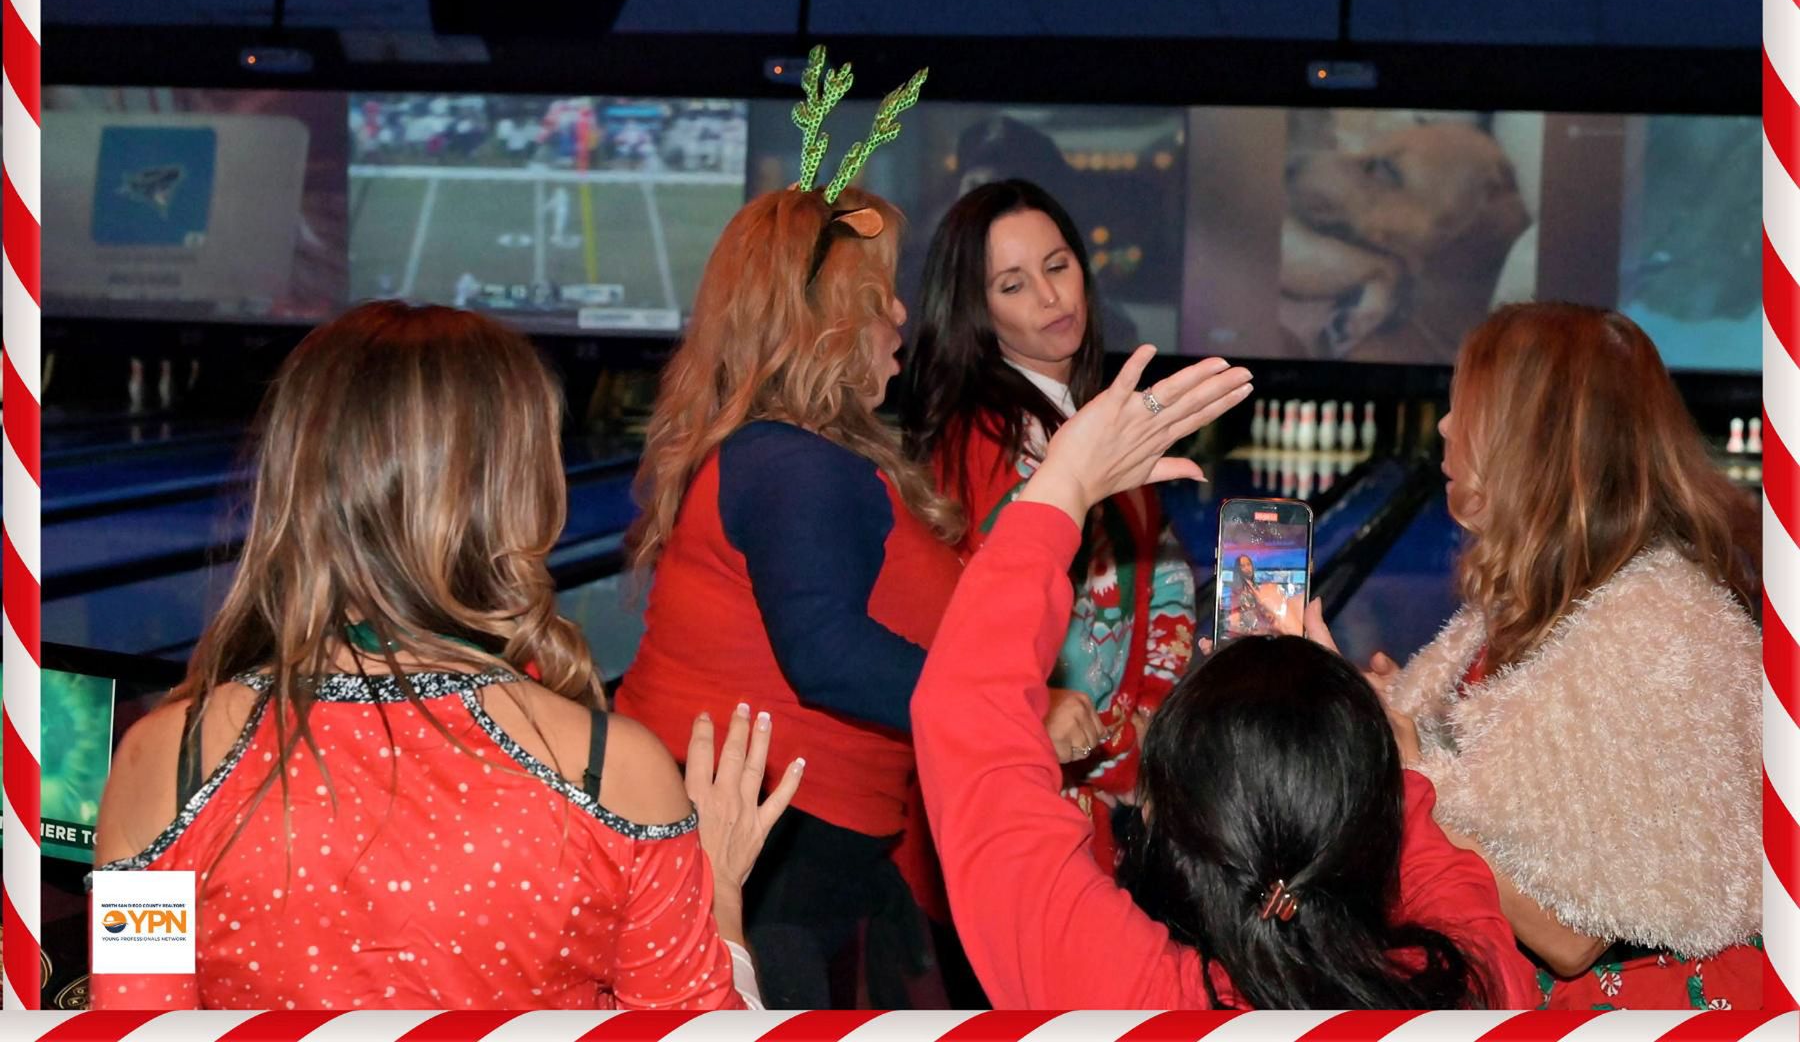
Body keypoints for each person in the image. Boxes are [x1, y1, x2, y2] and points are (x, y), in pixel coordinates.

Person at [91, 302, 799, 1010]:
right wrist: (718, 898)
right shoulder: (613, 774)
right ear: (518, 494)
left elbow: (135, 1020)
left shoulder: (164, 763)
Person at [911, 345, 1540, 1009]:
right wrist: (1378, 759)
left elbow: (966, 721)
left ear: (1167, 828)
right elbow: (1447, 887)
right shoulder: (1475, 981)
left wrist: (1062, 483)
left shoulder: (1137, 999)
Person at [613, 185, 964, 1008]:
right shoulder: (793, 464)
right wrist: (1008, 705)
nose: (902, 316)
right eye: (880, 298)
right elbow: (828, 656)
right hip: (757, 866)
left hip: (778, 862)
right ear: (829, 323)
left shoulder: (787, 454)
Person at [1369, 303, 1764, 1009]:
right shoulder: (1550, 604)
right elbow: (1528, 789)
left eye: (1469, 410)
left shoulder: (1658, 635)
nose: (1445, 427)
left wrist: (1407, 778)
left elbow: (1570, 933)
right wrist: (1381, 718)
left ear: (1532, 442)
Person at [900, 178, 1197, 872]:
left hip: (1104, 791)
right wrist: (1113, 739)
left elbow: (1165, 581)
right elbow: (977, 631)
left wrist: (1151, 721)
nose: (1050, 296)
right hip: (1032, 802)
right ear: (978, 313)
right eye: (1013, 285)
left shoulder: (1084, 420)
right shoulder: (982, 445)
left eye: (1057, 266)